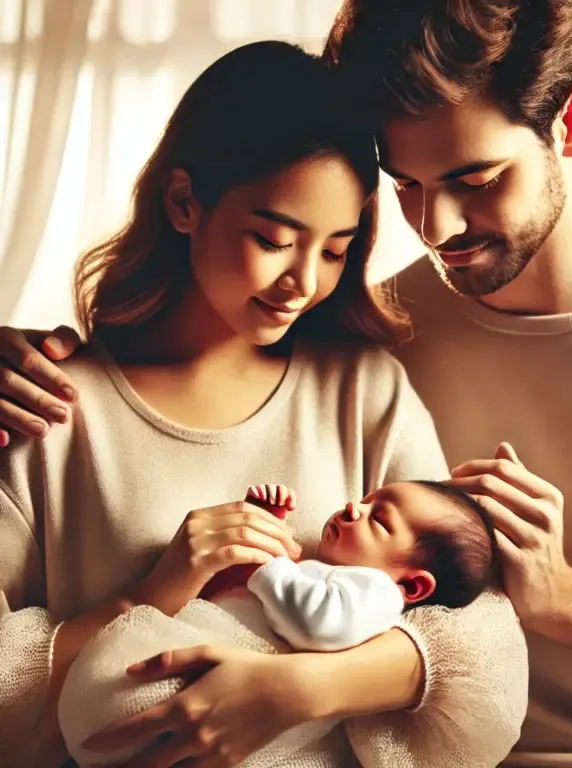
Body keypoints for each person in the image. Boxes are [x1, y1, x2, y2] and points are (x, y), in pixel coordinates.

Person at [7, 1, 572, 765]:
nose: (435, 228)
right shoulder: (387, 329)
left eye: (475, 178)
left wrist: (565, 600)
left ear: (571, 125)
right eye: (406, 184)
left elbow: (474, 642)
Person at [0, 40, 528, 768]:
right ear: (185, 203)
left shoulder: (362, 389)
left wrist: (298, 690)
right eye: (274, 239)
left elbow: (482, 642)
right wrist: (149, 596)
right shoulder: (45, 409)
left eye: (338, 249)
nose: (303, 282)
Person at [59, 479, 500, 767]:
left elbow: (317, 624)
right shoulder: (330, 573)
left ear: (415, 587)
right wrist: (260, 529)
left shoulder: (378, 595)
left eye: (378, 518)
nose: (353, 506)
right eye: (366, 499)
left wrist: (269, 562)